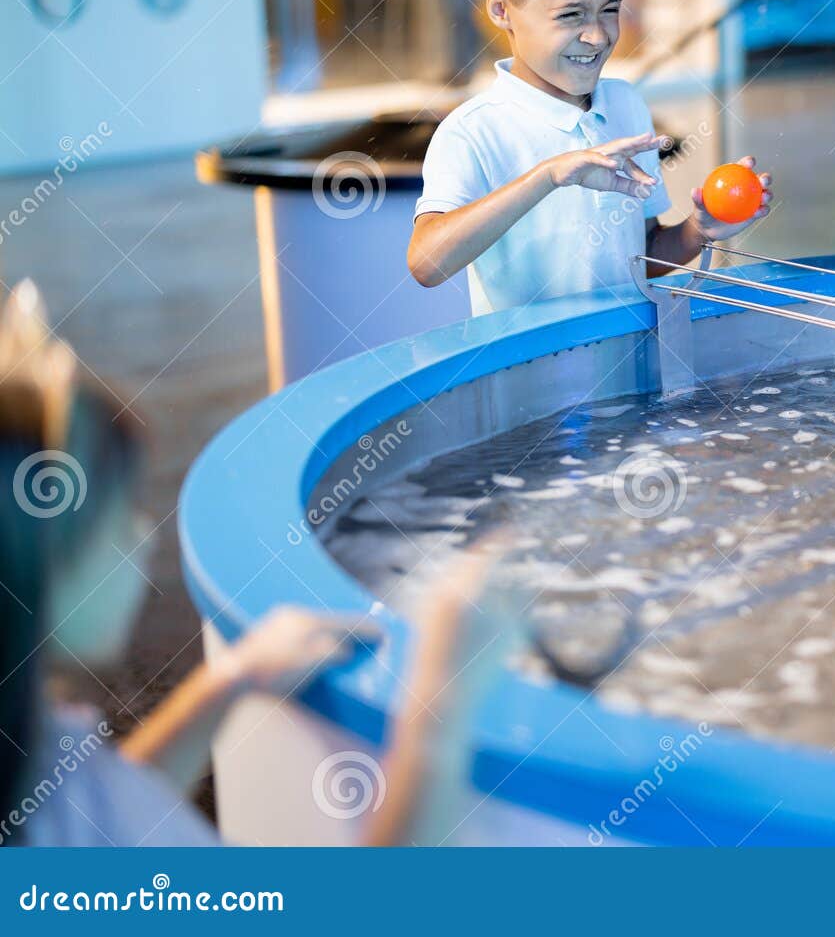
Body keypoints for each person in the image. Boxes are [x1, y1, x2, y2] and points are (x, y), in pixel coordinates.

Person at [0, 283, 517, 846]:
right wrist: (442, 697)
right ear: (39, 567)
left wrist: (229, 680)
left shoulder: (30, 753)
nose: (145, 536)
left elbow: (102, 821)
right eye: (119, 523)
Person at [406, 0, 773, 316]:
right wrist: (548, 176)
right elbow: (426, 264)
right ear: (502, 10)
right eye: (571, 15)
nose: (597, 36)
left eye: (609, 9)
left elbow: (644, 254)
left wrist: (699, 229)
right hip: (534, 361)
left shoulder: (624, 104)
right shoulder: (473, 131)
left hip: (625, 354)